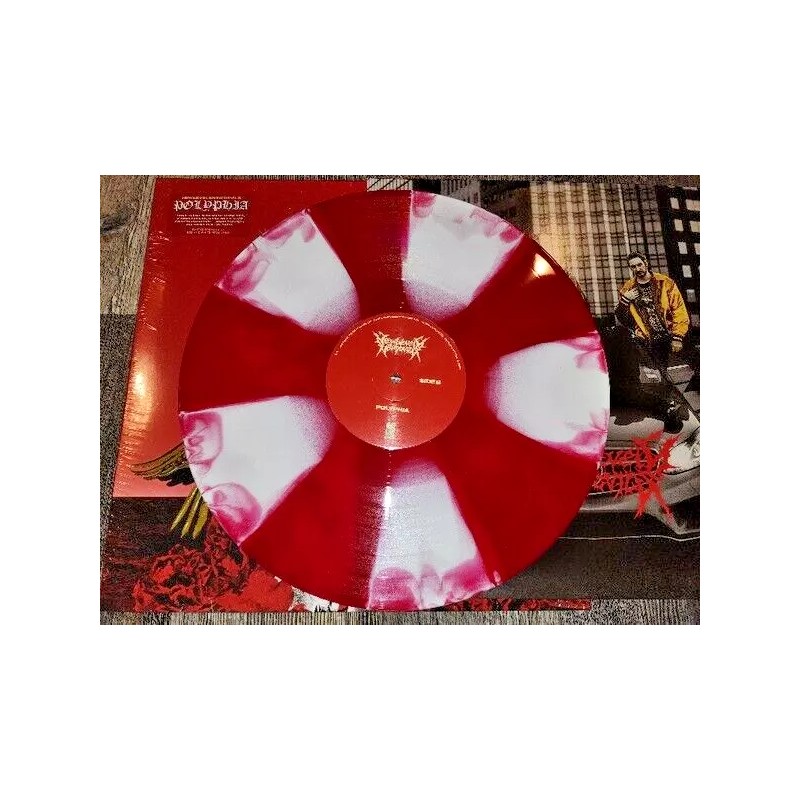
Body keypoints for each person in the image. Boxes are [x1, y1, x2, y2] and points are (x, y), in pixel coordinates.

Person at [613, 251, 691, 432]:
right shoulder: (627, 289)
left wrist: (677, 336)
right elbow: (623, 318)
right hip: (648, 340)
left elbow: (679, 310)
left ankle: (687, 410)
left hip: (670, 336)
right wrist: (625, 300)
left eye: (639, 264)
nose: (637, 269)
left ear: (646, 263)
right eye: (633, 266)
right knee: (658, 377)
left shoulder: (665, 283)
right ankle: (671, 411)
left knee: (683, 373)